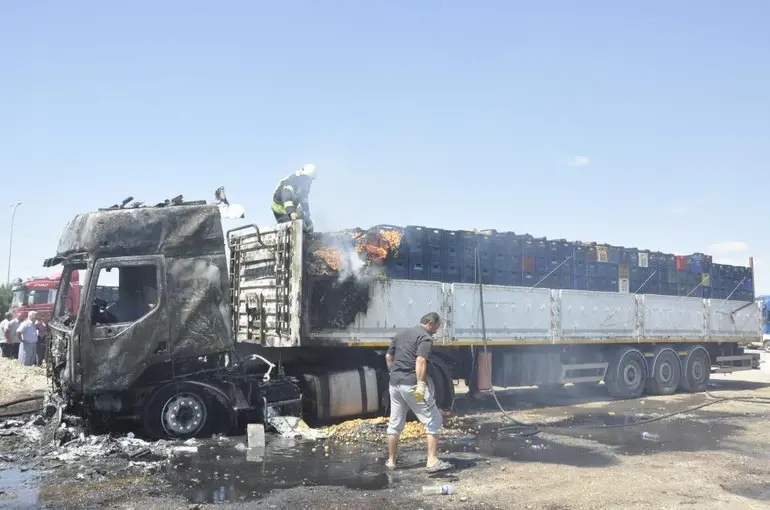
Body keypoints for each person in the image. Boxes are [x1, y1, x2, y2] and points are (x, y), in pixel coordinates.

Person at [384, 312, 453, 473]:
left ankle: (391, 461)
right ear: (430, 323)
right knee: (434, 419)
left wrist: (393, 371)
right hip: (410, 384)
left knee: (395, 424)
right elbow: (420, 360)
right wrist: (421, 383)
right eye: (437, 326)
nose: (437, 330)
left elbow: (388, 356)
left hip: (394, 384)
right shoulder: (425, 337)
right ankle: (432, 461)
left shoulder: (401, 334)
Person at [270, 164, 316, 232]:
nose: (310, 182)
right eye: (309, 179)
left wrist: (306, 211)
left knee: (309, 224)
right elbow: (287, 198)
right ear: (304, 176)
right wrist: (291, 212)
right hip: (280, 209)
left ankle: (310, 238)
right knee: (294, 227)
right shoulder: (291, 181)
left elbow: (304, 199)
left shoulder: (306, 185)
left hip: (292, 207)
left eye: (311, 179)